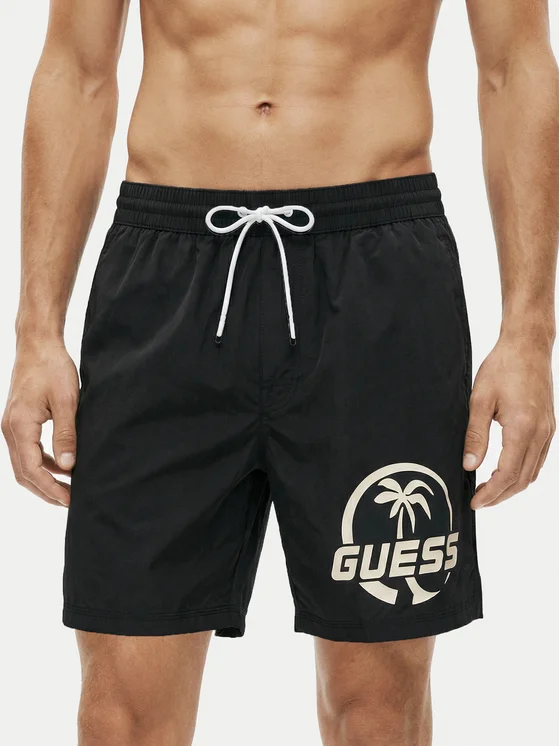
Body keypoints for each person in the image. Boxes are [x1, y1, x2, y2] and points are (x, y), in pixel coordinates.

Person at [2, 0, 557, 744]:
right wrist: (36, 331)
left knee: (377, 709)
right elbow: (76, 70)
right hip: (166, 274)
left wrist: (529, 333)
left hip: (378, 278)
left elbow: (513, 67)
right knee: (120, 715)